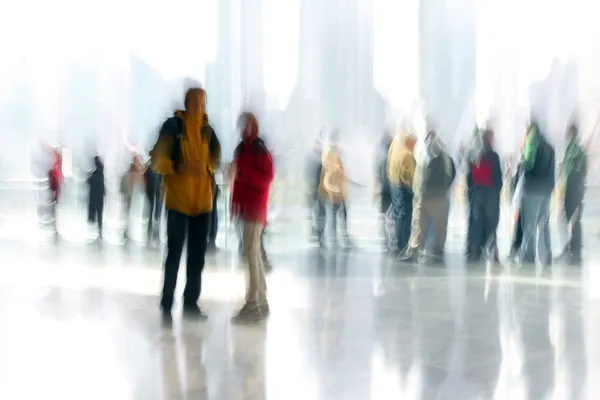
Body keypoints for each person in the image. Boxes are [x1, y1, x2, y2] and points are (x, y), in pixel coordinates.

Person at [150, 87, 221, 319]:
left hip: (202, 204)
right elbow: (157, 160)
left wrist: (208, 168)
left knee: (197, 258)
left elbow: (215, 158)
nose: (199, 106)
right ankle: (167, 303)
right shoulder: (173, 127)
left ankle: (191, 302)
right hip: (178, 203)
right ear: (187, 102)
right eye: (195, 101)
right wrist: (178, 168)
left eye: (202, 102)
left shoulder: (207, 131)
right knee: (174, 254)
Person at [231, 112, 274, 323]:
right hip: (247, 208)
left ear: (253, 126)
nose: (245, 129)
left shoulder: (258, 148)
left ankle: (252, 304)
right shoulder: (242, 149)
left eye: (248, 125)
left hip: (256, 209)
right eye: (242, 125)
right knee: (253, 254)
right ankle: (261, 300)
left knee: (251, 255)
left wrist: (245, 176)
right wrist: (235, 206)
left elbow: (267, 178)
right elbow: (237, 180)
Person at [399, 126, 456, 264]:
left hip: (429, 196)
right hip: (429, 197)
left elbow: (451, 173)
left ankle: (428, 251)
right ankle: (425, 250)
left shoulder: (433, 154)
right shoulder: (429, 154)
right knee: (423, 225)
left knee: (426, 225)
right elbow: (452, 173)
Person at [517, 121, 555, 266]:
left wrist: (521, 162)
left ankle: (529, 256)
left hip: (532, 189)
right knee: (544, 225)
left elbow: (529, 164)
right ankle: (547, 255)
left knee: (530, 225)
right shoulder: (550, 147)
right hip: (546, 190)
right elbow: (552, 171)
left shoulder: (531, 144)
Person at [465, 128, 503, 263]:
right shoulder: (493, 156)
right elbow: (498, 177)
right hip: (490, 193)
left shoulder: (472, 156)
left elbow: (469, 177)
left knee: (477, 222)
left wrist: (471, 191)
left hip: (476, 192)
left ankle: (474, 251)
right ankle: (492, 252)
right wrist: (497, 190)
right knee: (492, 222)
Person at [555, 123, 587, 264]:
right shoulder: (578, 149)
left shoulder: (571, 148)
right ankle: (574, 247)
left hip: (571, 187)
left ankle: (571, 248)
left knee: (569, 218)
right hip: (577, 188)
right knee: (574, 219)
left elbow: (565, 168)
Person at [318, 134, 353, 249]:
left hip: (339, 192)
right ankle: (335, 239)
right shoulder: (332, 160)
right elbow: (329, 180)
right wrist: (335, 192)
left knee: (341, 215)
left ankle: (340, 238)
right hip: (335, 193)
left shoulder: (333, 157)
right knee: (335, 215)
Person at [387, 127, 417, 255]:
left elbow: (389, 159)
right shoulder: (407, 154)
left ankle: (396, 242)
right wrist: (415, 190)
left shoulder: (396, 141)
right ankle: (402, 244)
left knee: (397, 213)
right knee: (404, 217)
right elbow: (409, 176)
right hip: (403, 187)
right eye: (414, 142)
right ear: (410, 140)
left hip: (393, 183)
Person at [144, 160, 163, 245]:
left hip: (154, 195)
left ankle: (151, 235)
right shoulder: (159, 170)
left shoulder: (150, 169)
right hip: (156, 195)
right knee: (156, 214)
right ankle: (154, 235)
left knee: (154, 214)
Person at [87, 156, 105, 239]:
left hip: (94, 197)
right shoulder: (102, 173)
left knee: (94, 212)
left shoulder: (94, 174)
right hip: (100, 197)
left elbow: (89, 182)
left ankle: (93, 230)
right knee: (100, 213)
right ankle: (100, 230)